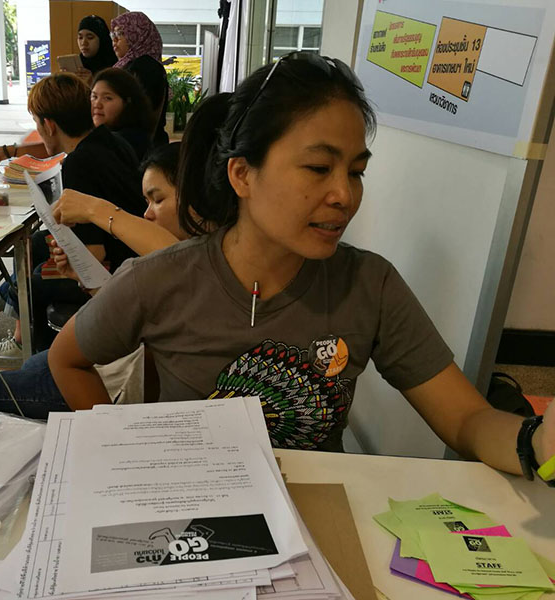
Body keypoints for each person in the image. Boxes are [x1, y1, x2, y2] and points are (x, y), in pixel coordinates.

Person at [47, 53, 555, 477]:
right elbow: (67, 359)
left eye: (355, 172)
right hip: (192, 511)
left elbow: (466, 418)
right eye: (318, 168)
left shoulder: (369, 285)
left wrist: (535, 442)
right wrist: (126, 453)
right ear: (243, 174)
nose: (344, 195)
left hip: (314, 523)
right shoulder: (161, 279)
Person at [0, 143, 186, 414]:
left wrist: (95, 210)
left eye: (158, 200)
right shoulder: (160, 261)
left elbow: (74, 356)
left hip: (115, 379)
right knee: (33, 364)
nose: (147, 214)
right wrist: (85, 277)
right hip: (108, 361)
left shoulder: (186, 263)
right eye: (146, 202)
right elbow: (130, 313)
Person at [0, 73, 145, 356]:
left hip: (119, 274)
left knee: (33, 283)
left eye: (36, 123)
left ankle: (33, 354)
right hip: (136, 256)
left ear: (50, 125)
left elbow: (93, 257)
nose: (38, 131)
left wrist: (63, 249)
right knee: (36, 243)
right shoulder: (109, 141)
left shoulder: (80, 164)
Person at [110, 12, 169, 147]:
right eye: (113, 35)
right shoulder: (134, 65)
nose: (114, 40)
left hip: (138, 148)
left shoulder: (144, 67)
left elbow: (136, 114)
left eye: (120, 34)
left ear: (137, 34)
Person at [90, 68, 155, 161]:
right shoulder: (99, 136)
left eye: (107, 98)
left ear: (127, 103)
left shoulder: (131, 141)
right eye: (94, 97)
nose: (97, 104)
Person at [75, 15, 117, 82]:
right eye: (80, 38)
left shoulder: (115, 66)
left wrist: (92, 82)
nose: (83, 43)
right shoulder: (79, 64)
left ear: (102, 40)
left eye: (90, 37)